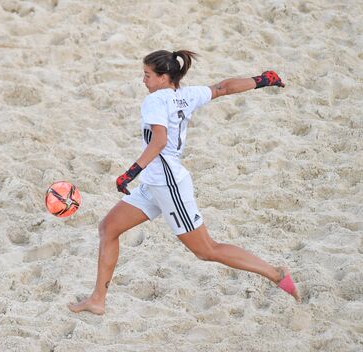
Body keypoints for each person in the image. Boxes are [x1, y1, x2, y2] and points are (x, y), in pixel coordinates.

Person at [68, 49, 300, 315]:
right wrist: (262, 80)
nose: (143, 80)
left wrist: (130, 172)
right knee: (108, 229)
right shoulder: (186, 95)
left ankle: (276, 273)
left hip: (169, 185)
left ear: (164, 77)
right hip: (153, 185)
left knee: (206, 250)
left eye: (147, 75)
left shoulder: (155, 101)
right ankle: (97, 299)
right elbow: (222, 88)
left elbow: (159, 141)